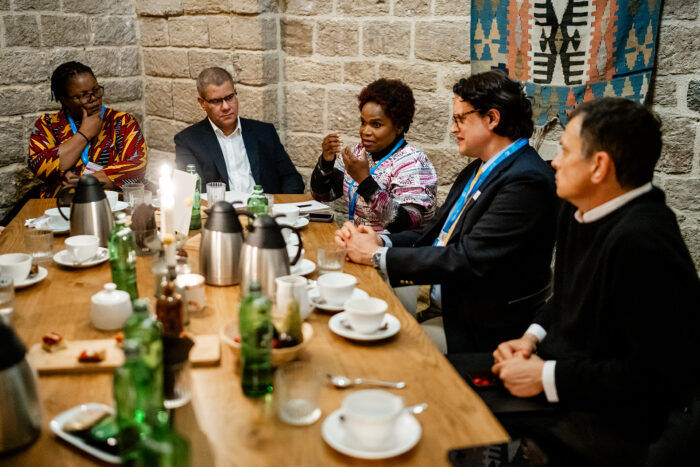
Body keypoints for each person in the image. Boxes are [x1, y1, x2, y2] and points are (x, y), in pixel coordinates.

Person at [491, 98, 700, 465]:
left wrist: (546, 377)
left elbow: (653, 376)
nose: (554, 161)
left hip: (615, 423)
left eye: (565, 150)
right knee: (444, 383)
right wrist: (530, 338)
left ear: (599, 166)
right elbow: (567, 295)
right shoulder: (578, 208)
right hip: (569, 381)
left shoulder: (643, 241)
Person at [336, 71, 557, 353]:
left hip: (477, 326)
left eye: (460, 119)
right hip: (441, 300)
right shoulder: (479, 167)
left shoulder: (526, 180)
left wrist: (376, 255)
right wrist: (381, 241)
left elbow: (468, 259)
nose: (453, 129)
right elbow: (434, 233)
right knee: (352, 307)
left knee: (368, 345)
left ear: (492, 119)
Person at [310, 78, 437, 233]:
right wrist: (326, 161)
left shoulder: (415, 163)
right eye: (363, 122)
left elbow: (407, 224)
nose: (365, 131)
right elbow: (322, 195)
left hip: (392, 253)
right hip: (358, 246)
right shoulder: (360, 151)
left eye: (376, 124)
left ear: (398, 126)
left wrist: (365, 181)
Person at [174, 67, 303, 194]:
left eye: (230, 97)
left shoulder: (264, 132)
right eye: (216, 101)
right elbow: (193, 191)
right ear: (202, 103)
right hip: (222, 212)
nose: (226, 107)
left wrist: (280, 208)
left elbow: (291, 178)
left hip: (265, 211)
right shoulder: (188, 141)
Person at [28, 61, 147, 198]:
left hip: (113, 202)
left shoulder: (122, 121)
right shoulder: (48, 124)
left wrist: (88, 181)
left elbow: (137, 166)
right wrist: (84, 134)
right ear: (64, 100)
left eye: (96, 90)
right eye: (82, 95)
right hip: (63, 204)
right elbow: (41, 168)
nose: (94, 99)